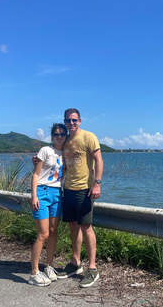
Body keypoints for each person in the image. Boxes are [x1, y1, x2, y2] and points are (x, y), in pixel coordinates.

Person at [56, 108, 103, 288]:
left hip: (85, 189)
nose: (71, 123)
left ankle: (92, 268)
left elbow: (98, 160)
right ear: (65, 122)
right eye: (68, 121)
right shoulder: (65, 140)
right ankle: (75, 263)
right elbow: (57, 158)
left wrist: (97, 183)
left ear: (80, 121)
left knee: (86, 227)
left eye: (74, 120)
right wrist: (38, 160)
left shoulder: (89, 137)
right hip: (68, 189)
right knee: (73, 225)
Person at [28, 123, 67, 287]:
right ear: (52, 136)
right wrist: (34, 195)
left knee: (52, 232)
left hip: (57, 194)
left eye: (62, 134)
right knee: (42, 234)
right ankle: (34, 272)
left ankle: (49, 266)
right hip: (42, 193)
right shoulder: (45, 150)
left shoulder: (66, 153)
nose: (59, 137)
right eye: (56, 134)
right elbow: (36, 174)